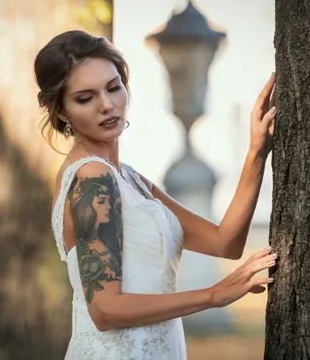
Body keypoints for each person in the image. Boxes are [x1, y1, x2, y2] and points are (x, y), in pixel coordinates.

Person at [35, 30, 278, 360]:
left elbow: (225, 242)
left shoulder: (131, 179)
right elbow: (105, 310)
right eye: (85, 98)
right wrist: (213, 295)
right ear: (61, 111)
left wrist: (256, 152)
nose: (107, 105)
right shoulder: (91, 178)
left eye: (113, 87)